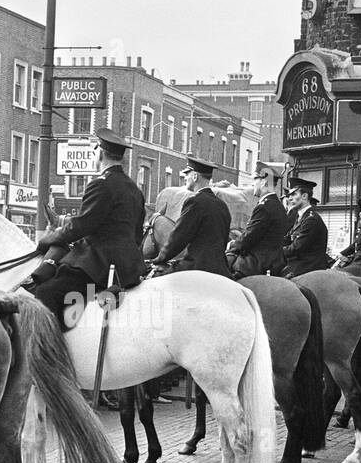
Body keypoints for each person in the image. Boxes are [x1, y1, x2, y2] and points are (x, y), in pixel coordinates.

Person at [30, 128, 144, 325]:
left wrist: (49, 238)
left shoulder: (101, 184)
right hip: (129, 267)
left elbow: (81, 226)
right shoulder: (134, 189)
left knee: (46, 292)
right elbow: (137, 235)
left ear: (99, 153)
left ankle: (48, 352)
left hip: (101, 266)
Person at [151, 157, 232, 277]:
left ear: (195, 177)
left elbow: (179, 237)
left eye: (187, 174)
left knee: (155, 278)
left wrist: (159, 259)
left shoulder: (195, 202)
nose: (185, 178)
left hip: (197, 267)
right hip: (221, 269)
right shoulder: (222, 205)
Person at [227, 162, 288, 278]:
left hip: (257, 263)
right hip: (275, 262)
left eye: (255, 179)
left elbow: (249, 238)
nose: (253, 184)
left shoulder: (264, 207)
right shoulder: (278, 206)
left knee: (222, 266)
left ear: (264, 182)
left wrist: (231, 246)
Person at [280, 176, 329, 279]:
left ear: (304, 196)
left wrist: (276, 251)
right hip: (298, 267)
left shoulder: (311, 219)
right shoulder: (300, 217)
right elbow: (287, 239)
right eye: (289, 195)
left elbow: (297, 248)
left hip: (309, 269)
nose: (289, 198)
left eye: (293, 194)